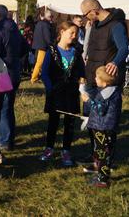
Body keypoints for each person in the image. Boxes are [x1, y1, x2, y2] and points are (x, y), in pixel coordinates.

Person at [79, 0, 129, 172]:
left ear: (94, 10)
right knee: (92, 121)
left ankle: (107, 160)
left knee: (106, 124)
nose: (85, 18)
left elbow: (124, 48)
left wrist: (115, 62)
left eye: (86, 14)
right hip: (92, 79)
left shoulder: (116, 25)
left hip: (106, 82)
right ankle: (96, 156)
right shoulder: (95, 26)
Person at [38, 21, 85, 167]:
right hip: (55, 91)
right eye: (71, 32)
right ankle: (49, 148)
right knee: (53, 122)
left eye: (76, 33)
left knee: (69, 123)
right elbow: (44, 72)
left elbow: (81, 70)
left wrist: (82, 83)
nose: (74, 36)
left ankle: (66, 150)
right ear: (62, 32)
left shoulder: (77, 51)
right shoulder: (52, 51)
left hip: (71, 92)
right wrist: (50, 88)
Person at [81, 66, 122, 188]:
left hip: (102, 128)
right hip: (109, 127)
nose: (95, 78)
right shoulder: (114, 91)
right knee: (107, 151)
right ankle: (103, 175)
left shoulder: (104, 94)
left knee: (102, 154)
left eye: (97, 77)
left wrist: (88, 100)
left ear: (104, 82)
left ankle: (103, 180)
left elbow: (100, 110)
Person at [0, 4, 24, 151]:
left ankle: (5, 140)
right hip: (14, 71)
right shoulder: (15, 29)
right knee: (8, 107)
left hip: (2, 73)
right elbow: (25, 48)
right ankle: (8, 137)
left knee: (2, 106)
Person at [30, 7, 54, 83]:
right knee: (39, 63)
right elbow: (47, 37)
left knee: (39, 63)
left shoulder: (39, 23)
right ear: (46, 16)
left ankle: (36, 77)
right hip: (43, 46)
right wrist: (51, 45)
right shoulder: (45, 24)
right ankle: (33, 78)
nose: (51, 18)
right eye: (50, 16)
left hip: (38, 45)